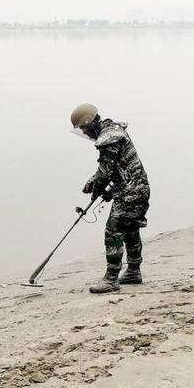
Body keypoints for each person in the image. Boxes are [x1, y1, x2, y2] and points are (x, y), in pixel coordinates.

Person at [70, 104, 150, 293]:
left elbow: (105, 171)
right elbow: (119, 169)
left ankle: (111, 278)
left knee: (113, 230)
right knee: (130, 228)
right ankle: (133, 271)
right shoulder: (113, 130)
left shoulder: (109, 137)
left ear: (89, 123)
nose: (84, 132)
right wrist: (108, 190)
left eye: (83, 128)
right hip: (137, 188)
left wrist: (94, 187)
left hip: (131, 191)